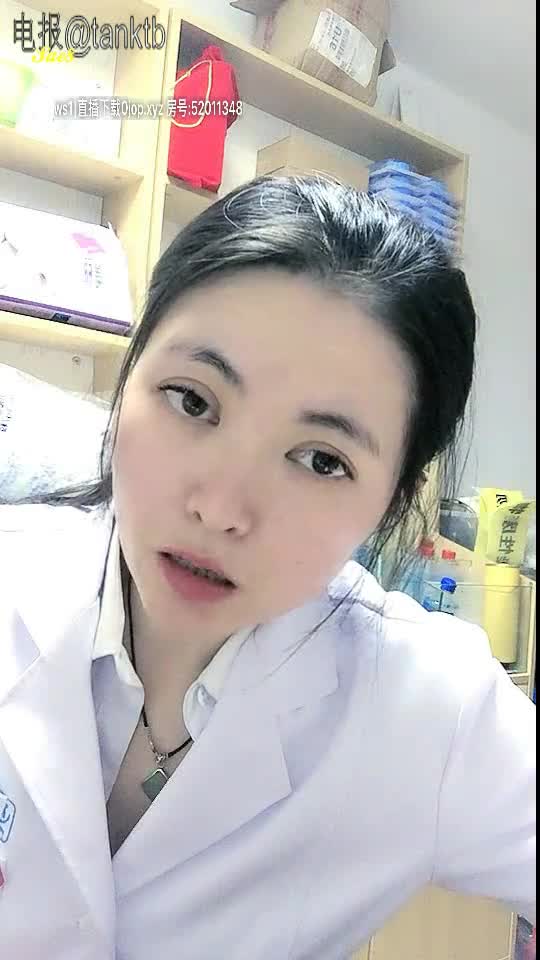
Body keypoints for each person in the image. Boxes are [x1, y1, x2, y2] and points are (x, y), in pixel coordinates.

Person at [0, 175, 535, 959]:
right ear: (131, 372)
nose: (222, 508)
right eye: (193, 401)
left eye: (321, 460)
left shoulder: (428, 710)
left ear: (393, 499)